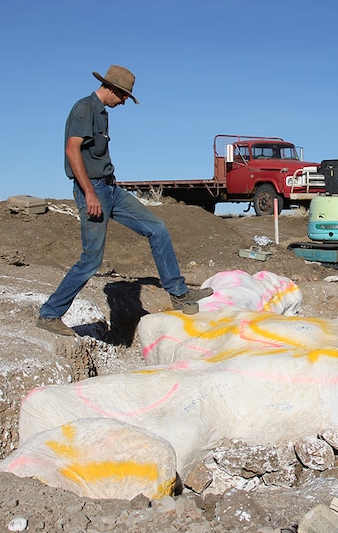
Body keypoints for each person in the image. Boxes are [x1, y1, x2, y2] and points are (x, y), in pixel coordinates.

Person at [37, 65, 211, 336]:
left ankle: (179, 293)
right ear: (114, 89)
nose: (124, 102)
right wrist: (90, 194)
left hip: (110, 189)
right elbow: (72, 151)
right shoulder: (85, 108)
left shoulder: (102, 113)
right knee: (91, 260)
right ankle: (49, 314)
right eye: (125, 97)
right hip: (92, 189)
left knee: (158, 229)